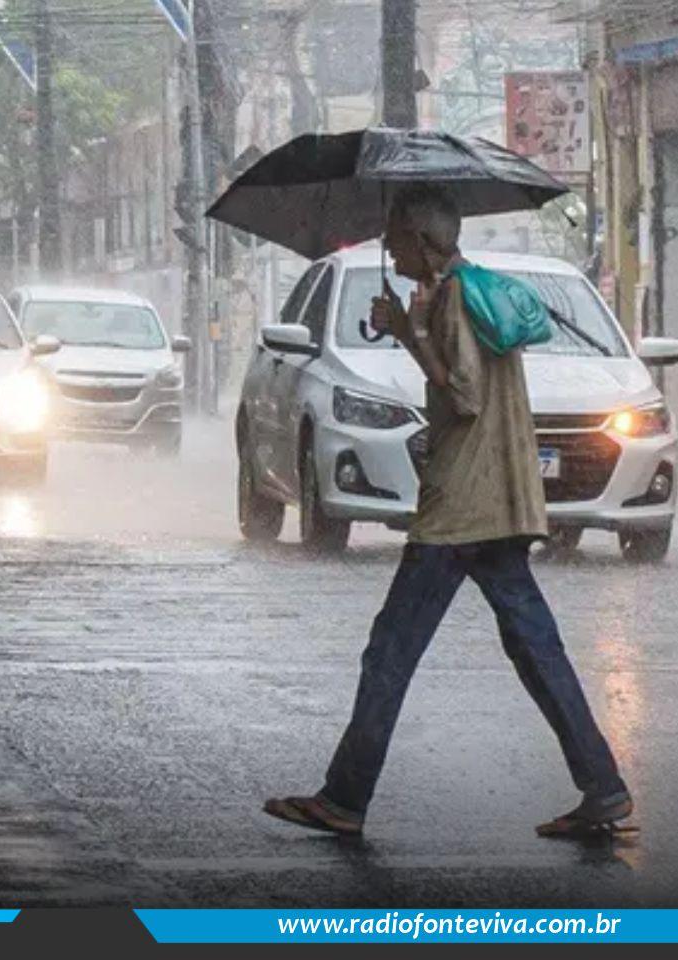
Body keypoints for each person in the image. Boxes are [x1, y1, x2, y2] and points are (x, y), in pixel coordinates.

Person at [263, 185, 631, 838]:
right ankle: (603, 786)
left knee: (391, 650)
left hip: (460, 507)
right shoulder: (471, 292)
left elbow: (462, 394)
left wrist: (410, 332)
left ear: (423, 241)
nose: (389, 246)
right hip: (500, 499)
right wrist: (411, 328)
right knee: (535, 647)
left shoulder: (456, 298)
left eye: (396, 236)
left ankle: (345, 797)